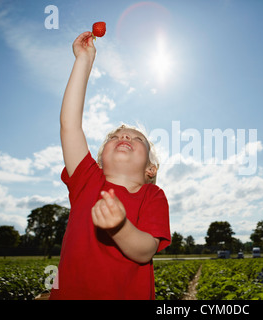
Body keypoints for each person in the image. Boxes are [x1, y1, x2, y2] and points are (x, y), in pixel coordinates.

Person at [49, 31, 171, 300]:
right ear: (99, 160)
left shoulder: (153, 195)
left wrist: (120, 227)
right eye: (114, 137)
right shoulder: (87, 181)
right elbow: (70, 126)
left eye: (136, 138)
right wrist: (84, 59)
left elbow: (145, 251)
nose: (124, 136)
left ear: (150, 169)